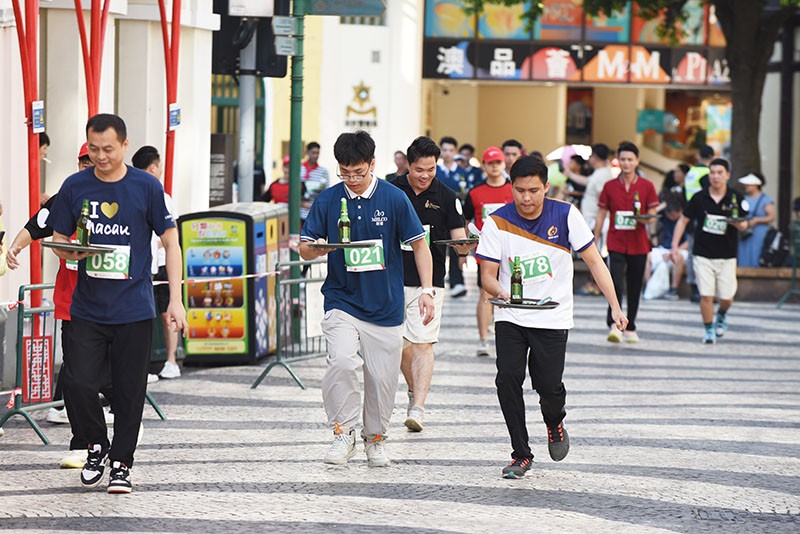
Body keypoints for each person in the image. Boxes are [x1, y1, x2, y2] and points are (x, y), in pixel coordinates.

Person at [47, 113, 187, 494]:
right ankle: (95, 445)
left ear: (124, 146)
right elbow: (60, 239)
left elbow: (172, 242)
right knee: (77, 383)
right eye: (93, 149)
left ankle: (122, 463)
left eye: (107, 149)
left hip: (133, 310)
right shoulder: (75, 186)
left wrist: (175, 299)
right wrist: (74, 253)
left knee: (128, 391)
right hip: (87, 308)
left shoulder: (146, 187)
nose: (100, 156)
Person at [476, 155, 627, 479]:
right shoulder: (497, 222)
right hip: (511, 315)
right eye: (519, 191)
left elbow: (596, 262)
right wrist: (500, 292)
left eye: (533, 190)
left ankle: (554, 420)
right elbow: (486, 275)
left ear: (546, 186)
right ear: (511, 189)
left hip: (552, 316)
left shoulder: (566, 215)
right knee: (507, 378)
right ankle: (521, 453)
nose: (526, 198)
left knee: (548, 386)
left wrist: (614, 306)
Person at [299, 130, 434, 467]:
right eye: (345, 172)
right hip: (341, 299)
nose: (353, 179)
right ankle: (342, 433)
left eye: (359, 172)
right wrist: (319, 248)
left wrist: (427, 290)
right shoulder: (329, 200)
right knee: (342, 362)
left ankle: (375, 438)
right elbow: (304, 248)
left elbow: (420, 244)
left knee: (381, 377)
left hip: (385, 304)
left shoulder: (393, 198)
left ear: (373, 164)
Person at [6, 143, 115, 468]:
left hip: (115, 302)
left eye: (95, 159)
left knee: (113, 375)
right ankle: (84, 442)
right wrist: (14, 248)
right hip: (74, 303)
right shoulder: (66, 197)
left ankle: (121, 432)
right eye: (84, 160)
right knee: (77, 376)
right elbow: (38, 224)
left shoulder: (121, 196)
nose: (90, 164)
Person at [390, 136, 471, 433]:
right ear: (407, 165)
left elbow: (460, 243)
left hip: (431, 282)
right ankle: (414, 390)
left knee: (423, 343)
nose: (425, 175)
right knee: (398, 344)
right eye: (419, 169)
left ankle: (418, 407)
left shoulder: (447, 196)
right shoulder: (389, 189)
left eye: (431, 169)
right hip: (391, 280)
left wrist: (467, 244)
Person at [671, 158, 748, 344]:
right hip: (702, 253)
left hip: (727, 255)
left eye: (720, 173)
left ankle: (721, 314)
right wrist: (674, 246)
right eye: (712, 173)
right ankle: (708, 329)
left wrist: (737, 222)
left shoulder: (735, 197)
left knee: (727, 297)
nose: (715, 176)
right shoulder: (699, 197)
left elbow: (744, 225)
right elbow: (683, 220)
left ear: (727, 175)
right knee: (706, 295)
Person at [595, 141, 659, 343]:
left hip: (639, 242)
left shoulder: (647, 186)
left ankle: (631, 326)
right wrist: (595, 238)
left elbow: (652, 214)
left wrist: (645, 219)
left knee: (634, 284)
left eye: (630, 159)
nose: (626, 163)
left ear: (637, 161)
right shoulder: (610, 186)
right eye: (622, 159)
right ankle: (614, 324)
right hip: (616, 241)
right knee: (614, 283)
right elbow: (601, 213)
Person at [131, 145, 181, 380]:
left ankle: (171, 360)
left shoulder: (162, 197)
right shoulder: (135, 191)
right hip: (142, 266)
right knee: (144, 315)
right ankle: (143, 365)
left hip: (160, 265)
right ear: (153, 167)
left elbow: (171, 239)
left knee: (164, 313)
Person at [464, 146, 514, 357]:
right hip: (485, 252)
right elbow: (467, 222)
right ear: (483, 166)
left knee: (511, 294)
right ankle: (483, 339)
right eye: (490, 163)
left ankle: (511, 336)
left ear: (504, 165)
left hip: (511, 251)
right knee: (485, 293)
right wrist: (465, 250)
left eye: (498, 163)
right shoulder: (474, 193)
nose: (494, 167)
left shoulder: (514, 190)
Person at [576, 144, 615, 296]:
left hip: (596, 221)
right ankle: (594, 283)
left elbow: (603, 200)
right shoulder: (599, 173)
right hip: (591, 219)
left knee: (595, 256)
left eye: (591, 156)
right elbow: (587, 182)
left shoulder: (603, 174)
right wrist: (569, 173)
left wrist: (598, 227)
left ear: (596, 157)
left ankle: (595, 284)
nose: (590, 159)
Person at [436, 136, 468, 298]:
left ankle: (457, 282)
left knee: (457, 247)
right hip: (438, 216)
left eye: (450, 150)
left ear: (455, 151)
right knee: (438, 250)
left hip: (457, 217)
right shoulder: (435, 171)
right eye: (444, 150)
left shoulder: (462, 173)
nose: (447, 153)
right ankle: (437, 280)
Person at [643, 203, 688, 301]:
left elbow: (688, 241)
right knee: (647, 256)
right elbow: (650, 215)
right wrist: (665, 204)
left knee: (678, 257)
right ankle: (649, 286)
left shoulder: (685, 220)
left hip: (680, 249)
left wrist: (674, 251)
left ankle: (673, 289)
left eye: (674, 213)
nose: (672, 216)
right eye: (670, 213)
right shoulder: (663, 218)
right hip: (663, 248)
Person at [737, 172, 776, 267]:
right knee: (743, 257)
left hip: (759, 233)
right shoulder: (744, 199)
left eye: (749, 184)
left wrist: (757, 220)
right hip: (745, 232)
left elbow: (772, 216)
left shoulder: (765, 199)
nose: (745, 186)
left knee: (757, 256)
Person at [300, 142, 330, 223]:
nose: (315, 156)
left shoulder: (323, 172)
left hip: (316, 213)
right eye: (313, 153)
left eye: (317, 153)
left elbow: (326, 193)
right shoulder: (299, 169)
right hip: (300, 214)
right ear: (307, 152)